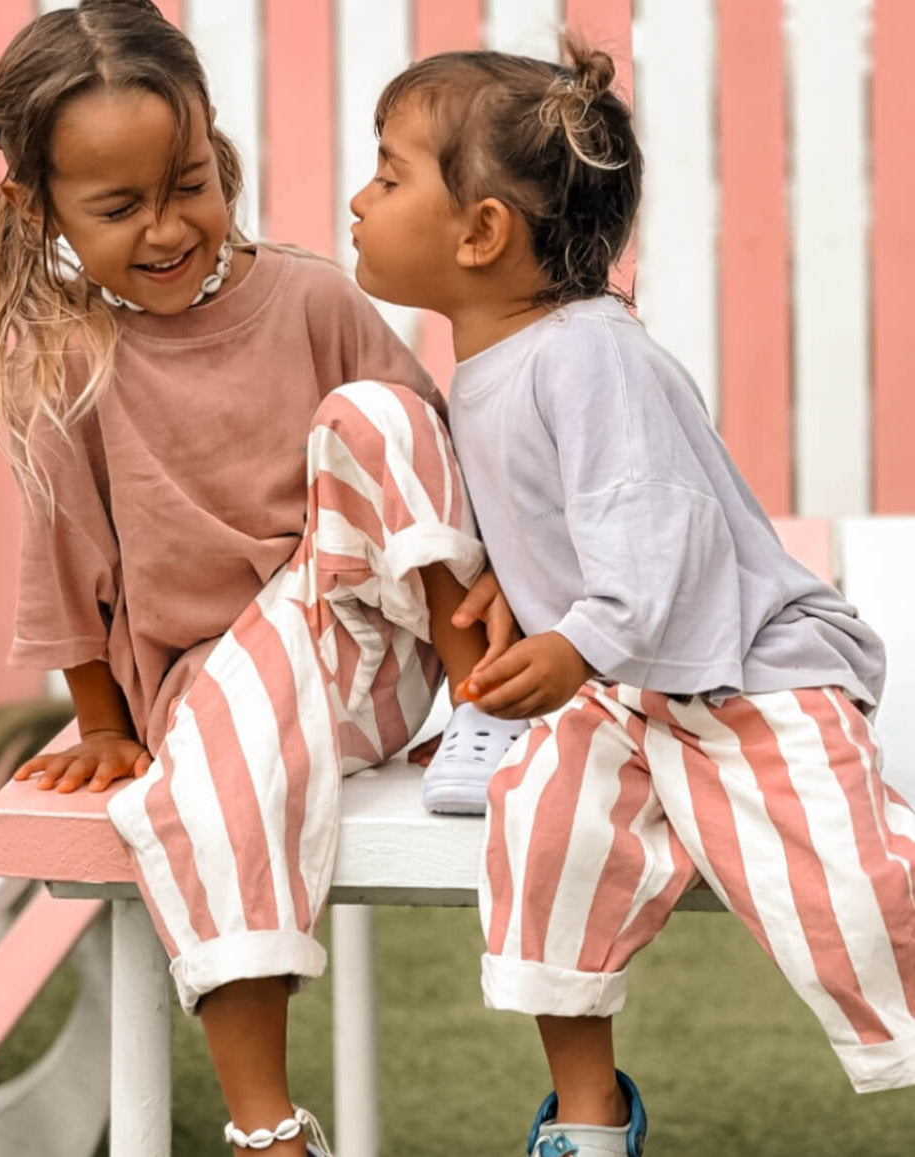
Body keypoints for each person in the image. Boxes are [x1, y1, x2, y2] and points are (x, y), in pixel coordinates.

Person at [350, 40, 915, 1157]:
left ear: (479, 234)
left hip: (745, 670)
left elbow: (657, 535)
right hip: (624, 689)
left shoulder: (588, 355)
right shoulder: (495, 363)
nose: (358, 200)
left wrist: (578, 640)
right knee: (543, 833)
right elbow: (556, 521)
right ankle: (587, 1116)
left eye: (386, 174)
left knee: (846, 885)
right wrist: (527, 602)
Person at [0, 2, 521, 1152]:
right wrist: (100, 718)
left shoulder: (311, 295)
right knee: (207, 753)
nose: (168, 225)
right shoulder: (63, 362)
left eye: (186, 182)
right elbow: (68, 558)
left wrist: (488, 625)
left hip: (378, 651)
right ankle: (270, 1131)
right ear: (41, 208)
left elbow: (429, 460)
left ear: (215, 150)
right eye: (118, 207)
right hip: (219, 704)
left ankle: (494, 713)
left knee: (376, 407)